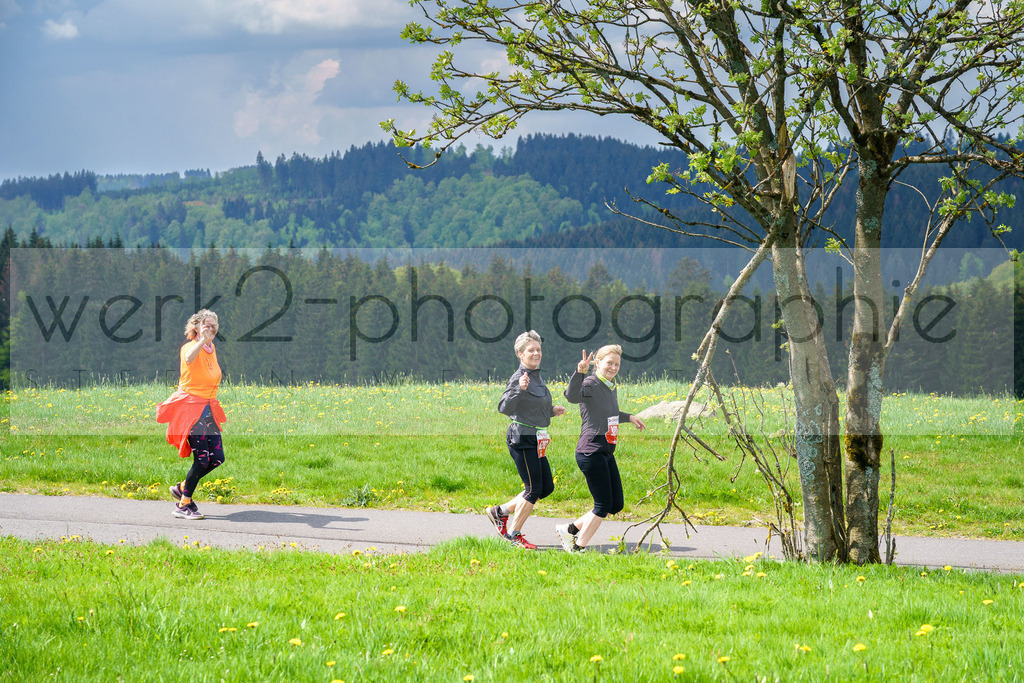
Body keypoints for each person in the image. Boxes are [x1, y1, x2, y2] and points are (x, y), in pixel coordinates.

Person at [556, 345, 645, 553]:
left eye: (617, 364)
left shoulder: (609, 386)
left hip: (605, 451)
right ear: (598, 363)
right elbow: (572, 396)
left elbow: (610, 414)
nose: (613, 367)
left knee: (615, 505)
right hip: (591, 451)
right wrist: (580, 372)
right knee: (603, 505)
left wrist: (629, 417)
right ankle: (577, 548)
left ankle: (569, 529)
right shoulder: (590, 384)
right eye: (609, 363)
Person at [488, 330, 567, 549]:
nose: (536, 353)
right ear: (520, 354)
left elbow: (532, 406)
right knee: (533, 489)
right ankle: (514, 536)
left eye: (538, 349)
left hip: (536, 438)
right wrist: (519, 389)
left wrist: (551, 410)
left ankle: (500, 512)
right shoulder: (519, 377)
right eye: (531, 350)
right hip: (522, 437)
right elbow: (504, 408)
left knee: (546, 487)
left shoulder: (536, 376)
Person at [156, 309, 227, 520]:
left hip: (207, 409)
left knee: (217, 458)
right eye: (206, 325)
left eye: (214, 325)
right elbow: (188, 358)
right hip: (191, 410)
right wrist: (202, 339)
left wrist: (206, 340)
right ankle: (183, 504)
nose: (211, 329)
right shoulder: (190, 347)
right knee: (203, 459)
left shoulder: (211, 348)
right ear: (196, 327)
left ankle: (182, 488)